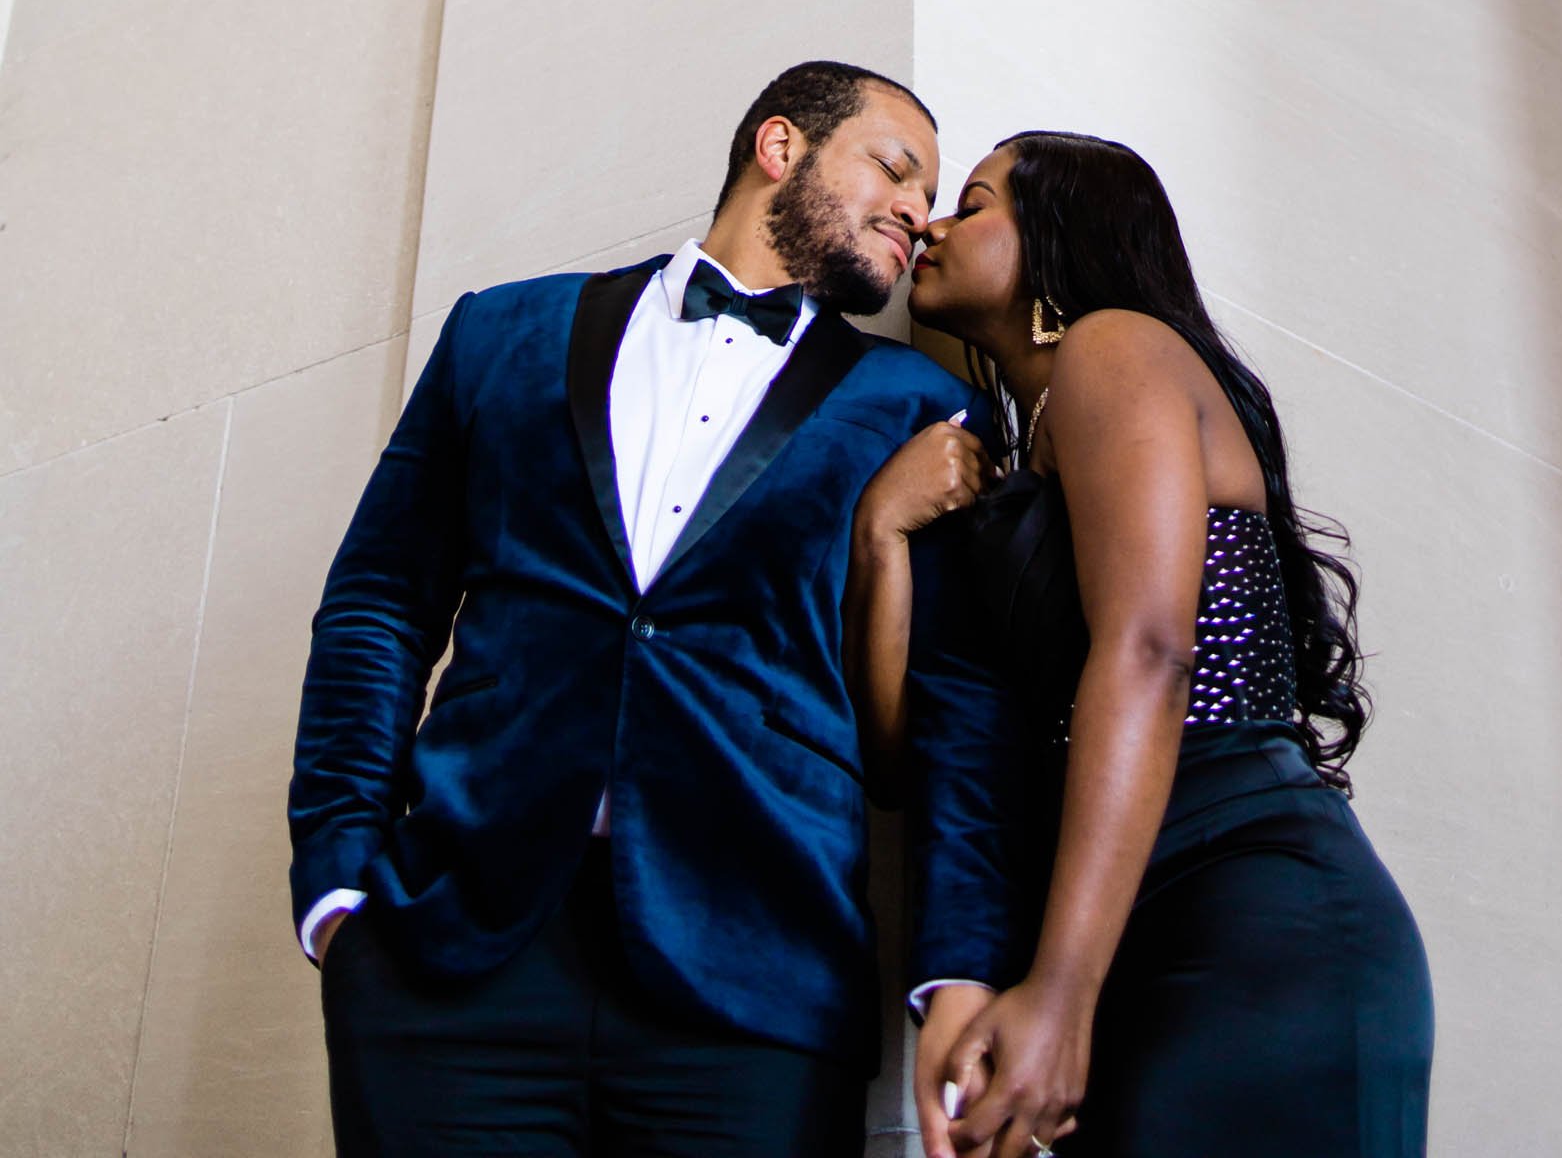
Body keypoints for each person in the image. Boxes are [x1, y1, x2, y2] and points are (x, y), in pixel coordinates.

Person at [289, 60, 1030, 1158]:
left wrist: (956, 969)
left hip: (761, 986)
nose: (917, 214)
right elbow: (379, 604)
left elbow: (962, 709)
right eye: (894, 167)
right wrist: (339, 882)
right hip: (449, 967)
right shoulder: (501, 334)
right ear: (780, 148)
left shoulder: (921, 410)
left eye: (929, 194)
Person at [848, 130, 1434, 1158]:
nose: (930, 223)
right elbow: (904, 758)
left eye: (972, 202)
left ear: (1056, 239)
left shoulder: (1111, 347)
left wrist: (1061, 996)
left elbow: (1149, 652)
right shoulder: (1008, 449)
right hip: (1120, 925)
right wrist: (881, 539)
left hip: (1247, 912)